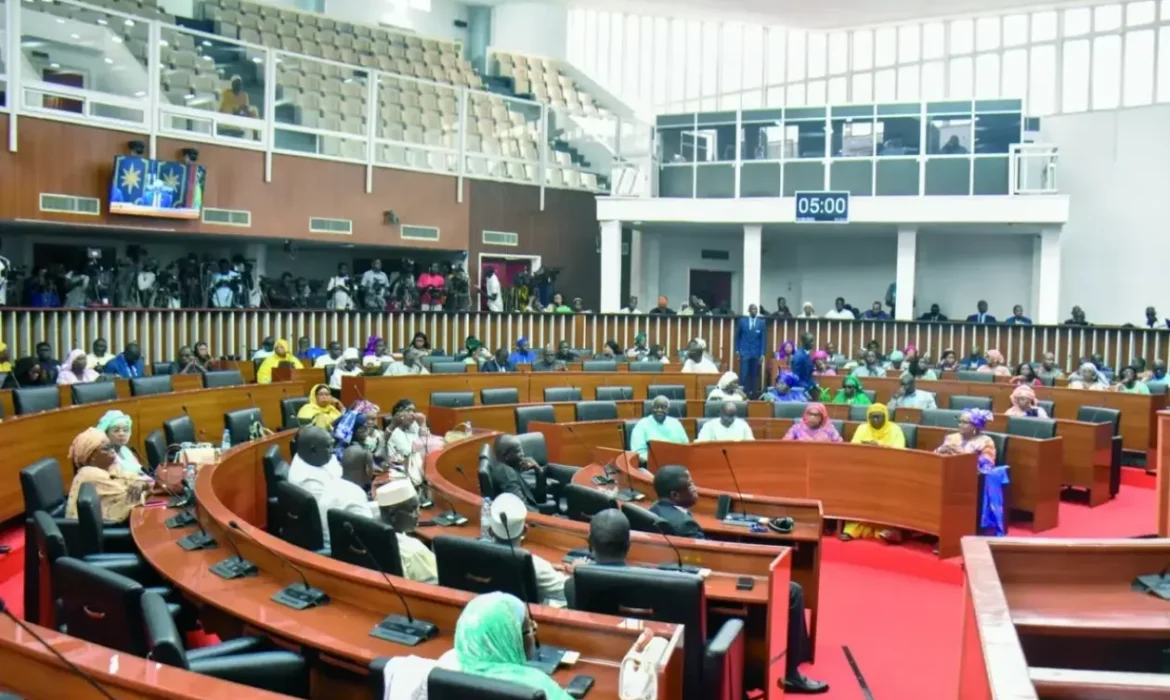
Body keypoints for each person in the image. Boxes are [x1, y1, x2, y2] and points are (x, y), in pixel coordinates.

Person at [435, 592, 573, 700]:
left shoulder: (446, 664)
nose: (534, 629)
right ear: (510, 640)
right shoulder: (534, 685)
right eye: (529, 628)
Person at [287, 426, 376, 548]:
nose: (333, 450)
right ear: (313, 449)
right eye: (329, 446)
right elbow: (329, 517)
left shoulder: (315, 456)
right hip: (337, 537)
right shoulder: (307, 481)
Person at [935, 409, 1010, 535]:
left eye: (964, 422)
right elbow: (935, 455)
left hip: (970, 480)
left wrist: (962, 454)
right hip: (947, 473)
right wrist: (941, 450)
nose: (960, 425)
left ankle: (950, 533)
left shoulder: (986, 441)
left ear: (975, 426)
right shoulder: (951, 438)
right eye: (960, 421)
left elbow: (987, 465)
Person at [488, 493, 566, 605]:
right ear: (525, 531)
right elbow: (568, 591)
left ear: (491, 531)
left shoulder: (475, 556)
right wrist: (578, 569)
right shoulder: (536, 566)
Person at [843, 404, 906, 542]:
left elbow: (900, 452)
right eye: (872, 417)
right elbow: (852, 449)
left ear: (886, 417)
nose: (875, 420)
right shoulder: (862, 428)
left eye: (879, 417)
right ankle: (853, 528)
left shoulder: (895, 430)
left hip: (889, 471)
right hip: (864, 470)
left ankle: (888, 529)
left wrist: (879, 447)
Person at [65, 428, 147, 523]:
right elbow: (128, 498)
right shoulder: (89, 474)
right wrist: (143, 487)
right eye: (106, 448)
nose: (113, 451)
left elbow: (135, 479)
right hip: (106, 529)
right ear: (91, 456)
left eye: (112, 446)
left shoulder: (112, 467)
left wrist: (141, 483)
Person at [375, 478, 438, 584]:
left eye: (418, 508)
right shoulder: (414, 550)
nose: (418, 514)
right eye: (412, 509)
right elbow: (438, 580)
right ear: (392, 514)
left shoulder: (368, 532)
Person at [487, 434, 545, 511]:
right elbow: (523, 510)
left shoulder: (509, 470)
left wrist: (538, 471)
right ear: (505, 455)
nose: (523, 454)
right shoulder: (507, 475)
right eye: (518, 451)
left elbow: (539, 498)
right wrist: (551, 521)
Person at [648, 466, 703, 538]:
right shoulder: (686, 525)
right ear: (675, 495)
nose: (695, 489)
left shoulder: (653, 509)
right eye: (690, 485)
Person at [630, 396, 689, 463]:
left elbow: (686, 446)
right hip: (651, 464)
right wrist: (660, 459)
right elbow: (638, 452)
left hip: (676, 463)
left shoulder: (676, 423)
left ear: (668, 410)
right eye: (656, 407)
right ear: (652, 409)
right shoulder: (641, 424)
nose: (659, 410)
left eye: (663, 407)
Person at [735, 304, 765, 396]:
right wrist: (737, 350)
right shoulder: (742, 321)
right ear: (749, 310)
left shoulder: (761, 322)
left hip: (756, 352)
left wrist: (762, 354)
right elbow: (737, 336)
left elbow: (763, 339)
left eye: (756, 309)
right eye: (752, 309)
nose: (754, 311)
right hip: (745, 351)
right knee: (743, 374)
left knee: (754, 375)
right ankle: (742, 394)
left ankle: (753, 395)